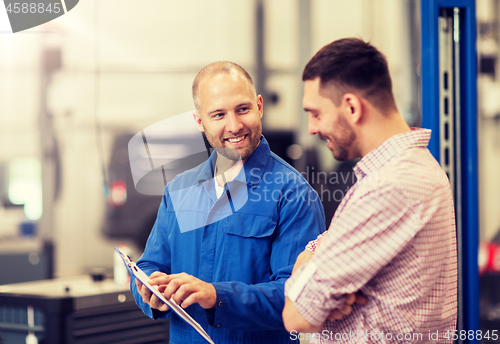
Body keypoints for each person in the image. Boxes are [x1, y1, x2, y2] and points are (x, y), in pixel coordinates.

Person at [130, 61, 326, 344]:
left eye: (242, 109)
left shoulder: (293, 194)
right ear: (200, 122)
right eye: (218, 114)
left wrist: (216, 296)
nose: (234, 126)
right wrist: (148, 291)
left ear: (259, 106)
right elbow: (150, 265)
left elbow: (300, 297)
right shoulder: (179, 190)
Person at [282, 38, 458, 343]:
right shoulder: (407, 168)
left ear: (351, 106)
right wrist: (309, 261)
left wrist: (306, 274)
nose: (311, 127)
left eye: (316, 113)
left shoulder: (390, 187)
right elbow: (319, 250)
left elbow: (297, 315)